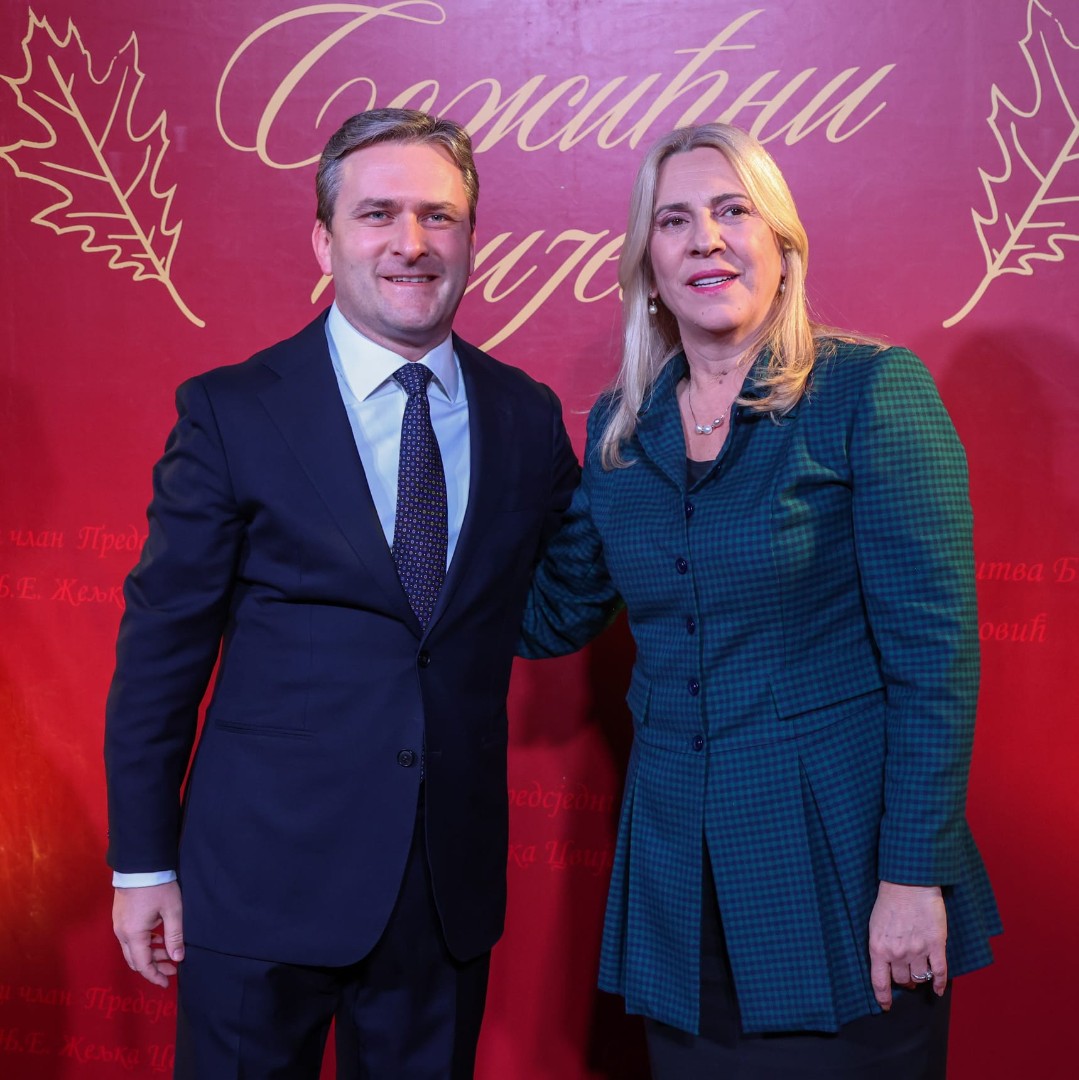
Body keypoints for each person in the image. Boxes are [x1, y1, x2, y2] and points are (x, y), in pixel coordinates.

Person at [518, 123, 1001, 1078]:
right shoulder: (620, 431)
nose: (705, 239)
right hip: (675, 888)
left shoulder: (867, 391)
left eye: (731, 210)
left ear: (781, 244)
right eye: (673, 221)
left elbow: (934, 661)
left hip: (843, 877)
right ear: (648, 268)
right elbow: (550, 614)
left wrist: (913, 875)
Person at [105, 108, 578, 1079]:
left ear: (470, 238)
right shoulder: (233, 411)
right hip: (256, 884)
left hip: (440, 896)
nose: (411, 243)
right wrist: (143, 863)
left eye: (438, 217)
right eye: (377, 214)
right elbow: (160, 652)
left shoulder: (525, 417)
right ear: (323, 240)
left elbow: (575, 579)